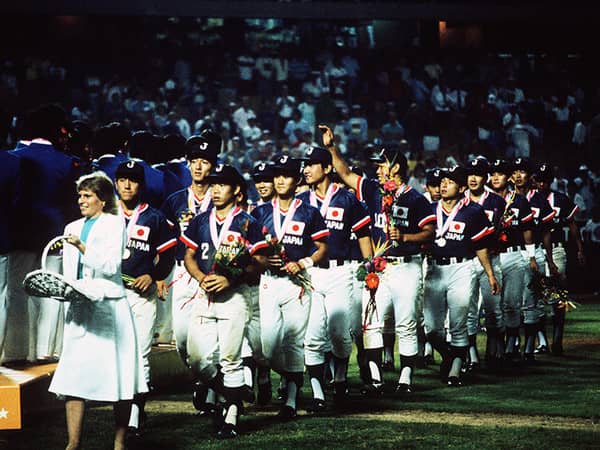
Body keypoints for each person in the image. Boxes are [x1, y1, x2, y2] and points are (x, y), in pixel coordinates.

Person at [322, 124, 436, 395]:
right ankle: (375, 378)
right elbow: (345, 173)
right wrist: (331, 148)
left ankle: (406, 377)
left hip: (406, 266)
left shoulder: (415, 198)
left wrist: (406, 237)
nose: (377, 169)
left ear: (395, 168)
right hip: (379, 268)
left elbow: (430, 231)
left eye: (381, 164)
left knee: (406, 322)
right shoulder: (373, 190)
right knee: (370, 322)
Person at [48, 171, 147, 450]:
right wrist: (65, 292)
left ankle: (119, 443)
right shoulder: (71, 226)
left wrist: (82, 247)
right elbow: (70, 271)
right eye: (79, 195)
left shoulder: (115, 224)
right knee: (72, 376)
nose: (81, 200)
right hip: (80, 310)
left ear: (102, 200)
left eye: (87, 195)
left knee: (120, 377)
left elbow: (111, 266)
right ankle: (73, 443)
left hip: (109, 308)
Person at [181, 164, 264, 438]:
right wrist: (200, 277)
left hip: (234, 296)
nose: (215, 190)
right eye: (213, 184)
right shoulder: (200, 220)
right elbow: (189, 256)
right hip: (205, 295)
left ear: (236, 189)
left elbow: (259, 262)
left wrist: (232, 278)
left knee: (230, 357)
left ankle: (232, 415)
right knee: (196, 358)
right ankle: (233, 393)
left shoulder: (247, 222)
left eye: (222, 184)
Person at [251, 155, 329, 420]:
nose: (280, 180)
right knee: (268, 347)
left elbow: (322, 247)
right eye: (277, 175)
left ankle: (291, 401)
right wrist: (262, 260)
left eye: (286, 175)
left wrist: (303, 262)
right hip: (269, 283)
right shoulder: (260, 213)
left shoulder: (309, 212)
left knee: (294, 342)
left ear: (297, 181)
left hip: (297, 284)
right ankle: (290, 376)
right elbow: (248, 249)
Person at [298, 145, 372, 409]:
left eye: (312, 164)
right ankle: (318, 391)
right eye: (305, 165)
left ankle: (340, 378)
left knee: (340, 334)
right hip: (310, 273)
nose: (306, 169)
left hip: (341, 272)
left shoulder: (347, 199)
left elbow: (363, 235)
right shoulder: (300, 202)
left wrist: (370, 268)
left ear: (327, 168)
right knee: (312, 336)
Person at [114, 161, 177, 441]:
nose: (127, 185)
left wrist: (153, 275)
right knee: (116, 355)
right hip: (110, 296)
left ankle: (136, 415)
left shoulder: (155, 217)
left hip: (141, 295)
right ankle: (121, 410)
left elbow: (168, 256)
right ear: (116, 183)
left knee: (140, 355)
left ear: (141, 185)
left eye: (133, 180)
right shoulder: (106, 215)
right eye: (122, 179)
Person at [160, 129, 220, 412]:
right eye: (194, 161)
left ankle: (212, 389)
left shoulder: (222, 197)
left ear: (213, 165)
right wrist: (159, 275)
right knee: (182, 339)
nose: (198, 166)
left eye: (204, 161)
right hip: (182, 274)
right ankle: (205, 377)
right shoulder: (174, 200)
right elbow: (163, 240)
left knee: (212, 335)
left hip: (212, 274)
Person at [423, 165, 499, 386]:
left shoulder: (473, 211)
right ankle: (450, 355)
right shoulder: (429, 209)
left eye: (450, 182)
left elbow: (481, 246)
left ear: (462, 188)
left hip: (462, 268)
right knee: (432, 328)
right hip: (435, 269)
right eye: (442, 182)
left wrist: (490, 274)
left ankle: (455, 371)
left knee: (458, 322)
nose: (444, 185)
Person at [535, 162, 585, 355]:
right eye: (539, 180)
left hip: (556, 248)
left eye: (545, 180)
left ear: (551, 181)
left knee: (558, 293)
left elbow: (572, 224)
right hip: (535, 249)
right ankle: (541, 342)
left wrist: (579, 248)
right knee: (536, 296)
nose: (542, 184)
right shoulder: (529, 199)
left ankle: (557, 339)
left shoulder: (561, 199)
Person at [488, 159, 536, 363]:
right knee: (493, 305)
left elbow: (527, 230)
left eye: (500, 173)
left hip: (514, 254)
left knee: (511, 303)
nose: (495, 177)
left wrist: (531, 256)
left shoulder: (519, 200)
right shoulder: (486, 199)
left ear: (508, 178)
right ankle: (496, 345)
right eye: (493, 173)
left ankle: (511, 344)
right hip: (492, 256)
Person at [511, 158, 557, 361]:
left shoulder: (538, 199)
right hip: (511, 252)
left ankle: (529, 347)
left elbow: (546, 232)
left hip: (534, 252)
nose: (518, 175)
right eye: (515, 171)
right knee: (511, 302)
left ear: (530, 176)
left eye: (522, 171)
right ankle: (512, 345)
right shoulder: (506, 199)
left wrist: (549, 259)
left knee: (532, 301)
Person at [464, 157, 506, 370]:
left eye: (478, 174)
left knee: (493, 309)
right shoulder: (460, 200)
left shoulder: (497, 202)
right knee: (469, 309)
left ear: (485, 177)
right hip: (466, 260)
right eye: (470, 174)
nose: (473, 178)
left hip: (491, 259)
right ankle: (472, 355)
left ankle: (494, 349)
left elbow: (502, 232)